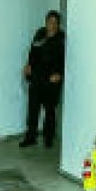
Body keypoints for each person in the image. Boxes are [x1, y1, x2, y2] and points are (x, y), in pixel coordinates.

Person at [20, 10, 65, 148]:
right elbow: (33, 51)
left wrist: (60, 74)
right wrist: (28, 65)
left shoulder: (62, 38)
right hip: (37, 77)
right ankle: (30, 137)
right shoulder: (40, 33)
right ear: (45, 22)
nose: (51, 25)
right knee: (33, 108)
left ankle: (48, 138)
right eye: (49, 22)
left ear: (58, 24)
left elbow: (67, 59)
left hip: (52, 80)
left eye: (54, 23)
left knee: (50, 110)